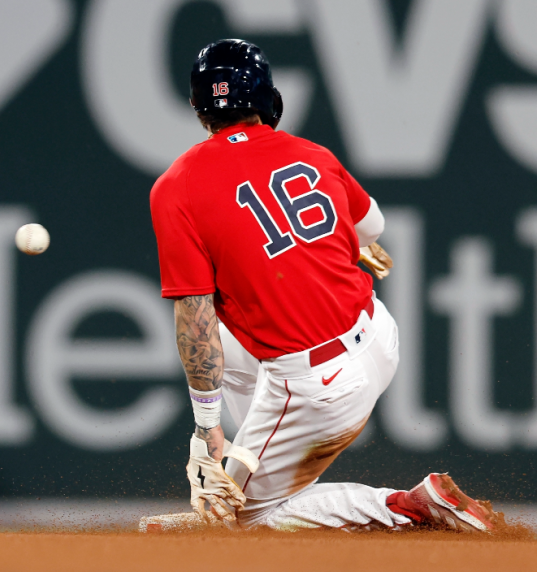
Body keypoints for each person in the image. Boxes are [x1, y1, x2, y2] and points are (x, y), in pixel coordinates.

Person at [148, 40, 500, 532]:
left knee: (234, 523)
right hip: (376, 338)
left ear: (196, 107)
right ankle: (261, 459)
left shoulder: (176, 186)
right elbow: (371, 226)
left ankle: (411, 506)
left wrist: (208, 428)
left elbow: (194, 317)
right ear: (268, 97)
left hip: (316, 388)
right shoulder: (311, 153)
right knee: (230, 344)